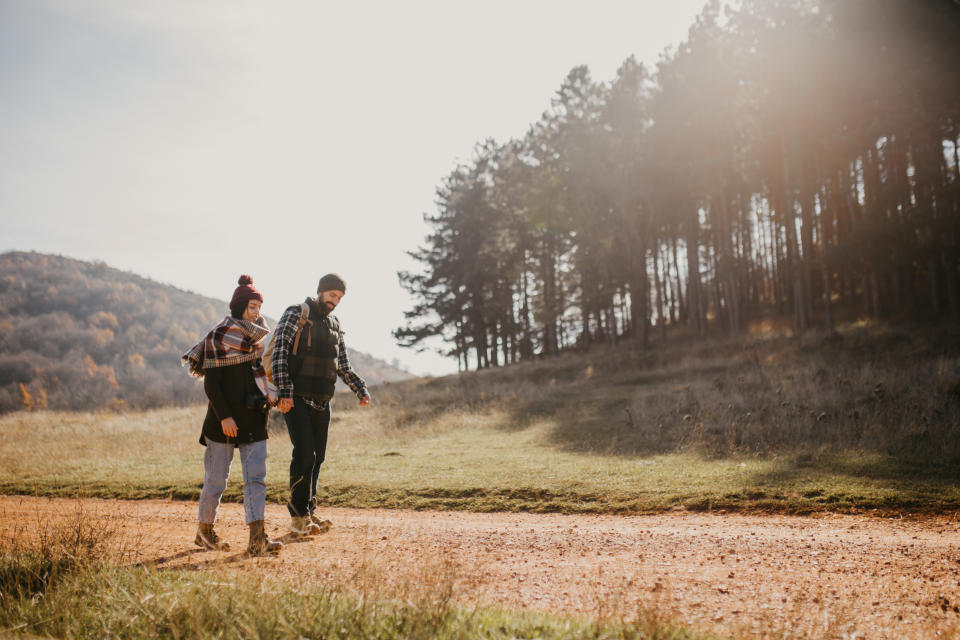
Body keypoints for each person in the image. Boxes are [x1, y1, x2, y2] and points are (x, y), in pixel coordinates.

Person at [182, 275, 283, 556]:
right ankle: (204, 533)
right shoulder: (219, 336)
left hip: (253, 419)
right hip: (221, 421)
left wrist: (273, 394)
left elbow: (259, 375)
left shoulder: (258, 338)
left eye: (259, 307)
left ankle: (257, 539)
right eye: (252, 306)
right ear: (239, 306)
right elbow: (211, 384)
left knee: (256, 479)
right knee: (216, 480)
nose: (257, 312)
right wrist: (225, 416)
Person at [272, 273, 371, 536]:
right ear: (320, 291)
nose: (335, 301)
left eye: (339, 298)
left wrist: (359, 388)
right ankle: (298, 516)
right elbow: (280, 350)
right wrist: (284, 390)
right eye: (331, 295)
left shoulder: (335, 323)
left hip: (323, 400)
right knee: (305, 454)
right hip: (296, 397)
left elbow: (343, 364)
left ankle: (309, 512)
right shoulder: (297, 313)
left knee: (318, 459)